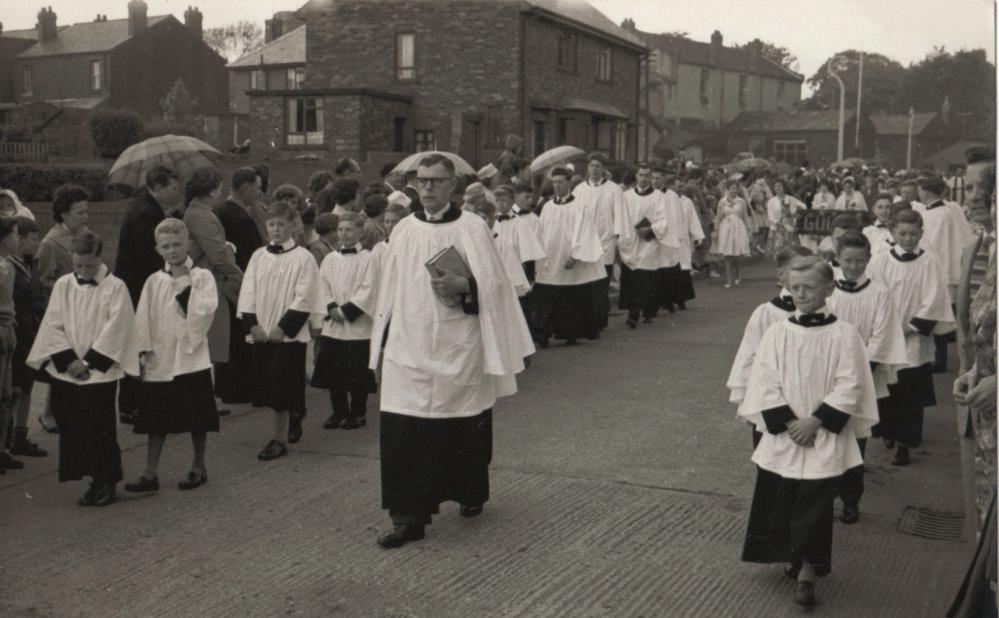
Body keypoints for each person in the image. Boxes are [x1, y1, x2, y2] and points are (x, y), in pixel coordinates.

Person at [368, 153, 534, 548]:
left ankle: (469, 491)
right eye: (422, 180)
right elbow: (388, 288)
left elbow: (496, 285)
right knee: (404, 427)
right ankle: (408, 518)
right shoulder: (404, 229)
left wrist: (466, 287)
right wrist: (383, 344)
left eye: (436, 181)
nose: (427, 187)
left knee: (459, 422)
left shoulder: (473, 227)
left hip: (459, 341)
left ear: (453, 185)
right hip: (408, 345)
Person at [740, 256, 878, 608]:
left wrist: (814, 421)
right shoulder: (777, 332)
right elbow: (765, 380)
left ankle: (808, 572)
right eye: (794, 287)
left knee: (815, 501)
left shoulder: (845, 335)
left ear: (829, 289)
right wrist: (789, 422)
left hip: (823, 433)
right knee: (786, 497)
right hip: (787, 434)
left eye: (809, 287)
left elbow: (851, 383)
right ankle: (794, 554)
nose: (800, 294)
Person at [27, 231, 134, 506]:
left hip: (99, 371)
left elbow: (118, 328)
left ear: (101, 258)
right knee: (72, 426)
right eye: (78, 266)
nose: (83, 271)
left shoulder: (115, 287)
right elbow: (53, 323)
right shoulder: (64, 285)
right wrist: (70, 361)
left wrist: (88, 363)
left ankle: (107, 481)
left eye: (89, 265)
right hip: (67, 370)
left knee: (98, 427)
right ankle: (92, 480)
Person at [123, 218, 219, 494]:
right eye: (166, 246)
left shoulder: (202, 277)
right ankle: (150, 471)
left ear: (187, 243)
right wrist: (141, 351)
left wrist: (182, 283)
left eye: (177, 244)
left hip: (191, 357)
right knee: (156, 418)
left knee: (196, 415)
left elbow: (203, 313)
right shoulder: (154, 282)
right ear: (158, 249)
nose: (173, 250)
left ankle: (198, 466)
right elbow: (143, 319)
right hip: (161, 357)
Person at [828, 231, 907, 523]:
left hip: (863, 375)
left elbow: (881, 335)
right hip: (827, 372)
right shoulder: (827, 289)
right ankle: (826, 491)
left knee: (856, 437)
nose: (853, 266)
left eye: (859, 260)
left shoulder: (879, 293)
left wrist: (859, 371)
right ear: (837, 258)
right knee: (829, 433)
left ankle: (851, 499)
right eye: (847, 260)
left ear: (868, 259)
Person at [868, 209, 954, 465]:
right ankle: (890, 432)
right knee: (889, 389)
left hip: (914, 338)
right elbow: (874, 293)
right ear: (893, 232)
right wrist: (886, 326)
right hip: (886, 334)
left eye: (913, 234)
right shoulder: (881, 260)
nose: (908, 238)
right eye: (902, 233)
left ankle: (905, 443)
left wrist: (910, 326)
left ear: (921, 234)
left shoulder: (929, 261)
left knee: (910, 392)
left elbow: (935, 297)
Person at [238, 202, 322, 460]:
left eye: (281, 224)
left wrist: (283, 328)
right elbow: (249, 290)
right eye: (271, 224)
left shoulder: (303, 258)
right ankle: (294, 414)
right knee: (271, 383)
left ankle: (278, 439)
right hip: (263, 330)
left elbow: (305, 296)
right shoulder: (258, 256)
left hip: (286, 334)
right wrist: (252, 324)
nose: (275, 229)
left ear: (294, 225)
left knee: (282, 385)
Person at [113, 165, 182, 428]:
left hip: (135, 287)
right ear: (158, 187)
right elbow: (149, 256)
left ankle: (133, 404)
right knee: (138, 345)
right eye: (173, 188)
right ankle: (131, 406)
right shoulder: (145, 214)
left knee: (138, 344)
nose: (176, 193)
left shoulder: (144, 206)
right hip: (138, 289)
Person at [727, 245, 813, 445]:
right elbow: (749, 356)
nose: (802, 278)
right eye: (795, 271)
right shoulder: (767, 313)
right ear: (781, 275)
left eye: (809, 272)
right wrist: (747, 401)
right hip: (771, 398)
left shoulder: (825, 313)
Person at [184, 170, 242, 416]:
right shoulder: (202, 216)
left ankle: (206, 398)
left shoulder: (196, 212)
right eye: (219, 186)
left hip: (204, 280)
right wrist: (239, 275)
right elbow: (216, 252)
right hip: (207, 283)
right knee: (210, 340)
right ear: (211, 190)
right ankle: (206, 400)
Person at [311, 212, 377, 430]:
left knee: (357, 372)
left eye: (349, 230)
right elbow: (323, 285)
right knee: (334, 372)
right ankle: (338, 411)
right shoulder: (330, 259)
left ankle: (357, 413)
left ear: (360, 232)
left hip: (357, 325)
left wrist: (347, 311)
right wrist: (331, 308)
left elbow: (370, 288)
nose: (343, 234)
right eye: (340, 230)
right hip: (334, 325)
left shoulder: (368, 259)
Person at [36, 184, 91, 434]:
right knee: (61, 361)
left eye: (86, 211)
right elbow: (43, 279)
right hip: (64, 310)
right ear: (64, 213)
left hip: (86, 306)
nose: (85, 216)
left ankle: (68, 410)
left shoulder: (85, 234)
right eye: (80, 212)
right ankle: (48, 412)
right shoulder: (51, 243)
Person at [532, 167, 605, 346]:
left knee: (571, 297)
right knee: (546, 294)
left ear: (569, 183)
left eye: (561, 182)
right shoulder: (547, 207)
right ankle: (543, 335)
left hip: (570, 260)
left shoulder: (580, 206)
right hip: (551, 259)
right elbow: (541, 233)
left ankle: (571, 333)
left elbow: (585, 233)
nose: (557, 186)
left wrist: (575, 255)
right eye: (554, 182)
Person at [215, 168, 264, 407]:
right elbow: (250, 256)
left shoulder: (220, 210)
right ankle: (240, 389)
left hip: (224, 283)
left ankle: (224, 386)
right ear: (245, 188)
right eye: (257, 187)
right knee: (241, 337)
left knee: (230, 336)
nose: (260, 192)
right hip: (241, 283)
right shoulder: (241, 218)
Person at [918, 175, 975, 373]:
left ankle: (939, 360)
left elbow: (933, 244)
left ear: (924, 192)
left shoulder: (938, 215)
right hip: (948, 268)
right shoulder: (948, 210)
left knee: (939, 315)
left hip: (940, 269)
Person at [8, 218, 46, 458]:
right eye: (34, 239)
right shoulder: (9, 266)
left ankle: (20, 435)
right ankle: (8, 436)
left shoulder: (31, 263)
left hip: (30, 332)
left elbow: (37, 295)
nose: (38, 243)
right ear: (19, 239)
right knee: (14, 388)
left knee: (27, 385)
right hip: (17, 332)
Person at [617, 163, 673, 328]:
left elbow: (664, 220)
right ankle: (633, 313)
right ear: (636, 176)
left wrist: (650, 229)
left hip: (649, 240)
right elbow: (621, 217)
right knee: (632, 276)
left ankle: (648, 311)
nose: (644, 178)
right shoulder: (626, 196)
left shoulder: (658, 197)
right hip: (631, 240)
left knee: (646, 276)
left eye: (647, 175)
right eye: (641, 175)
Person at [572, 152, 621, 331]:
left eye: (598, 166)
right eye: (591, 166)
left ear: (604, 169)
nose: (594, 169)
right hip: (585, 241)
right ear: (587, 168)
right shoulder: (579, 190)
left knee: (602, 282)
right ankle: (587, 318)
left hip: (605, 241)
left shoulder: (613, 189)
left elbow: (620, 216)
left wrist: (617, 238)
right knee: (586, 281)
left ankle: (599, 320)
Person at [0, 220, 20, 474]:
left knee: (5, 394)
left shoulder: (8, 266)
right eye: (14, 235)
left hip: (8, 329)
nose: (17, 239)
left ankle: (2, 448)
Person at [714, 181, 752, 288]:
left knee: (737, 255)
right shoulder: (722, 202)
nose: (734, 190)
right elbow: (719, 217)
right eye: (732, 188)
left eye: (736, 188)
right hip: (726, 228)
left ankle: (737, 272)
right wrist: (716, 230)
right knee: (727, 255)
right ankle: (729, 279)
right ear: (727, 189)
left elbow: (745, 217)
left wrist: (749, 231)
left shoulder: (742, 201)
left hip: (738, 228)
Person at [766, 179, 803, 259]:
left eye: (780, 185)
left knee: (792, 253)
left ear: (784, 187)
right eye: (776, 186)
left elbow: (803, 207)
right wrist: (783, 225)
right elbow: (771, 218)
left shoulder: (791, 199)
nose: (778, 188)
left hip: (790, 229)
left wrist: (795, 214)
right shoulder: (771, 202)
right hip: (778, 229)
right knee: (780, 254)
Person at [863, 193, 895, 258]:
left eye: (888, 207)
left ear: (892, 209)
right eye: (880, 207)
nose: (884, 211)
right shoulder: (867, 231)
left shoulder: (897, 231)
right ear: (874, 209)